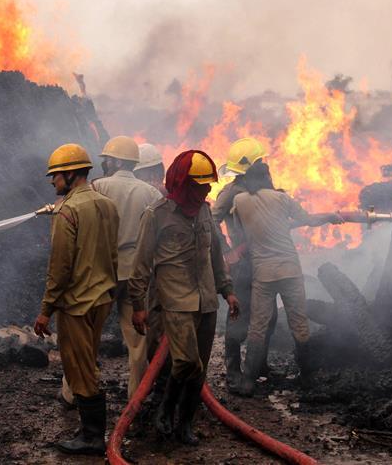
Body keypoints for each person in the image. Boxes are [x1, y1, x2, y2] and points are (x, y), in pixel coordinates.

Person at [129, 150, 241, 445]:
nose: (205, 190)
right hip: (174, 303)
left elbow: (216, 254)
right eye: (199, 185)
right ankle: (165, 410)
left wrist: (227, 291)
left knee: (199, 368)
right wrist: (138, 307)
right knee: (186, 363)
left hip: (206, 303)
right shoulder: (156, 215)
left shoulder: (204, 211)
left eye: (208, 185)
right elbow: (140, 264)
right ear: (182, 184)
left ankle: (186, 424)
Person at [33, 143, 120, 455]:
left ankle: (92, 437)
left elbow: (59, 267)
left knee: (80, 369)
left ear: (70, 174)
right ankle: (92, 433)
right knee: (88, 362)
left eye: (55, 176)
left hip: (77, 304)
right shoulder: (107, 205)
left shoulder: (67, 211)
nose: (53, 182)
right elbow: (113, 253)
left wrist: (46, 310)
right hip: (101, 300)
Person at [230, 161, 342, 397]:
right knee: (299, 323)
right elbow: (308, 220)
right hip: (290, 271)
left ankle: (248, 381)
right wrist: (331, 216)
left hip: (263, 274)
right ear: (268, 177)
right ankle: (308, 378)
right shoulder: (282, 199)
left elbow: (243, 231)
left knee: (257, 326)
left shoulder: (239, 202)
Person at [90, 136, 162, 398]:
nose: (105, 163)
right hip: (136, 275)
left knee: (88, 336)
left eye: (107, 158)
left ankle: (73, 392)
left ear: (117, 160)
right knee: (137, 342)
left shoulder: (97, 187)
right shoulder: (151, 193)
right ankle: (137, 397)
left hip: (104, 273)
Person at [212, 137, 278, 393]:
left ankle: (260, 365)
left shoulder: (264, 187)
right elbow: (211, 219)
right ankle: (232, 371)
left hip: (265, 258)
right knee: (239, 315)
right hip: (243, 263)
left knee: (268, 316)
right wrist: (227, 251)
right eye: (259, 161)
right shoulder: (230, 193)